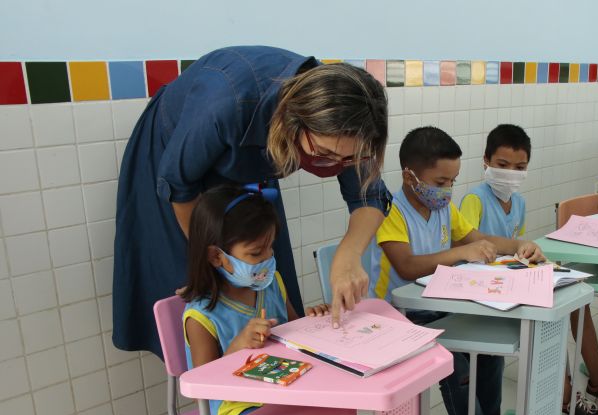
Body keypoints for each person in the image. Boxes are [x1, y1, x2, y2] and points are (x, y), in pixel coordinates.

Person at [113, 46, 391, 363]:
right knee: (209, 298)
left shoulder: (354, 116)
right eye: (324, 153)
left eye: (351, 158)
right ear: (292, 120)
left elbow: (368, 195)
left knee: (261, 275)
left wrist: (348, 256)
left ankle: (276, 395)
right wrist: (212, 260)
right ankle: (226, 407)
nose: (336, 166)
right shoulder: (227, 104)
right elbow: (179, 184)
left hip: (245, 172)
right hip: (179, 182)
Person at [369, 126, 545, 415]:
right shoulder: (390, 212)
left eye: (452, 181)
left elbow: (478, 238)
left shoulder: (442, 206)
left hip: (439, 305)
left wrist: (520, 246)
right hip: (398, 314)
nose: (448, 190)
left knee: (491, 346)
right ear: (410, 176)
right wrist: (458, 255)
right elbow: (406, 266)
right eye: (440, 181)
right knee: (455, 365)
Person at [182, 185, 358, 415]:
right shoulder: (200, 316)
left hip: (290, 393)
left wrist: (314, 320)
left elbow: (292, 334)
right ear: (217, 257)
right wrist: (237, 348)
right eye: (254, 252)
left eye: (270, 247)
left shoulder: (270, 281)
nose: (266, 258)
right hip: (238, 413)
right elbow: (204, 386)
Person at [461, 124, 598, 415]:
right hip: (484, 287)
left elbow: (519, 248)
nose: (511, 173)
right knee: (549, 315)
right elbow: (465, 241)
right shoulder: (474, 199)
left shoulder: (519, 202)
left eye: (520, 167)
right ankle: (565, 396)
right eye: (503, 165)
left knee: (576, 301)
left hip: (512, 278)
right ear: (486, 161)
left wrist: (530, 254)